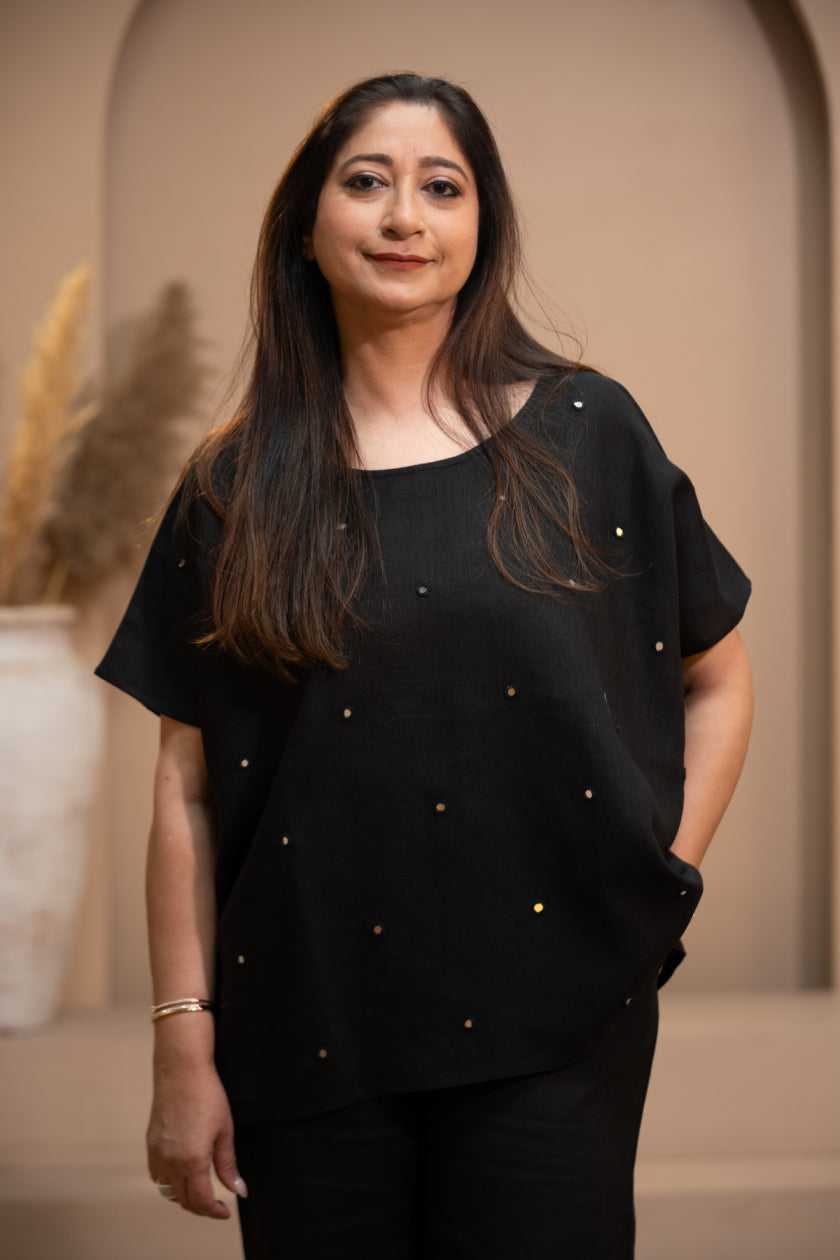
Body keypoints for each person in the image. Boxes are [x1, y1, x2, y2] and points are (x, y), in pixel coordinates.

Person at [96, 71, 754, 1259]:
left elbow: (716, 674)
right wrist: (182, 1037)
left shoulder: (587, 434)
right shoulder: (233, 488)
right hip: (306, 1019)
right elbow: (186, 788)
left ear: (481, 227)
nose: (404, 216)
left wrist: (665, 880)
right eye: (367, 182)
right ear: (306, 225)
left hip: (560, 1007)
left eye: (442, 187)